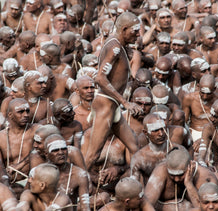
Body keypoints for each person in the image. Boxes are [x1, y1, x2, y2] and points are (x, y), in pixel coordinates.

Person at [84, 12, 143, 170]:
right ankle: (72, 188)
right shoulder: (114, 47)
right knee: (92, 155)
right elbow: (100, 78)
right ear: (124, 29)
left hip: (113, 105)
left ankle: (135, 183)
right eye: (135, 31)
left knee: (134, 147)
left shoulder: (119, 46)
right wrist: (125, 102)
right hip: (105, 105)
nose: (138, 35)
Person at [145, 147, 218, 210]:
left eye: (181, 175)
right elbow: (146, 205)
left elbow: (205, 209)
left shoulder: (205, 176)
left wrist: (189, 184)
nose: (176, 179)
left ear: (190, 166)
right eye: (172, 175)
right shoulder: (161, 171)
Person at [130, 113, 183, 184]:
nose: (161, 134)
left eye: (163, 129)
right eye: (155, 130)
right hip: (150, 192)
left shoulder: (178, 150)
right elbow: (134, 185)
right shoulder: (140, 157)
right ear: (145, 132)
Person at [0, 98, 39, 192]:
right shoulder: (1, 137)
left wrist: (20, 165)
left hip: (32, 183)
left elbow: (41, 153)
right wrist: (6, 185)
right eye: (20, 112)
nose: (26, 115)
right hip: (7, 183)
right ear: (10, 115)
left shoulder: (37, 130)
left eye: (27, 111)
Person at [44, 134, 90, 210]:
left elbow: (85, 207)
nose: (61, 153)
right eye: (55, 150)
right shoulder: (38, 173)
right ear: (46, 154)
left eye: (63, 149)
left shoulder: (79, 175)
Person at [183, 74, 218, 143]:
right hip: (194, 132)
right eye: (202, 93)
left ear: (214, 89)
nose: (205, 97)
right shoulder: (189, 98)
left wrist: (204, 139)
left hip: (212, 134)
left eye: (208, 94)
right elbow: (184, 122)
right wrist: (188, 137)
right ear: (198, 86)